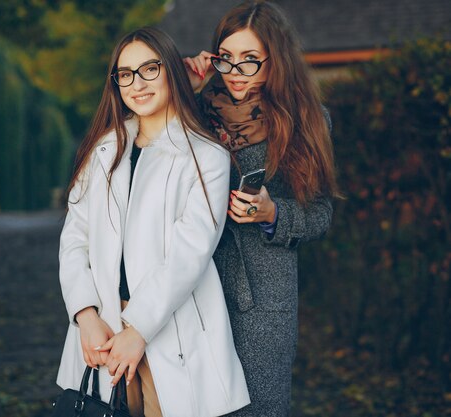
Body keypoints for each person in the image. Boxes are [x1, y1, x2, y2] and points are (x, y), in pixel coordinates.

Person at [56, 27, 250, 417]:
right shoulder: (104, 148)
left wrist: (139, 330)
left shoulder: (205, 156)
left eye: (149, 69)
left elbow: (189, 254)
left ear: (170, 72)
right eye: (125, 74)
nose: (137, 84)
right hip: (103, 329)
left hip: (167, 328)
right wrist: (85, 315)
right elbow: (75, 237)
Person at [184, 2, 341, 416]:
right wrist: (179, 91)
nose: (235, 72)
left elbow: (321, 213)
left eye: (250, 60)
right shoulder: (192, 114)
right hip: (192, 288)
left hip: (264, 303)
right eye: (227, 58)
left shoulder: (306, 120)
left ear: (277, 60)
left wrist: (273, 214)